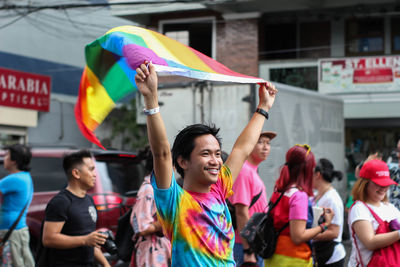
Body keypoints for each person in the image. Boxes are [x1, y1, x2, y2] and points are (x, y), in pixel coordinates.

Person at [134, 61, 277, 266]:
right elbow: (162, 154)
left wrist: (263, 107)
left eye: (217, 154)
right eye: (205, 153)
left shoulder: (219, 187)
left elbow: (242, 149)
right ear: (183, 161)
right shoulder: (174, 201)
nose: (215, 161)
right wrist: (151, 98)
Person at [264, 144, 334, 267]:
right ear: (307, 170)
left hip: (274, 256)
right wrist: (324, 226)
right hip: (294, 259)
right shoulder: (299, 196)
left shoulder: (279, 191)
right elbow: (297, 236)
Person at [42, 150, 110, 267]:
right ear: (76, 173)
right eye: (91, 169)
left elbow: (90, 240)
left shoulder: (89, 200)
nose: (95, 174)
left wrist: (105, 264)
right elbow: (48, 239)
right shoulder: (61, 202)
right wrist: (85, 240)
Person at [229, 131, 277, 266]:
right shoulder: (244, 171)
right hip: (245, 246)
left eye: (268, 143)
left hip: (253, 243)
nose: (265, 147)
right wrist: (248, 250)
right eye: (260, 142)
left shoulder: (252, 170)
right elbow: (241, 211)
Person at [348, 159, 400, 266]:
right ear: (365, 184)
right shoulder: (359, 208)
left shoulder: (389, 207)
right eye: (378, 184)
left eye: (386, 184)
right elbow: (370, 242)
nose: (384, 188)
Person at [130, 146, 171, 267]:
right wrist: (166, 222)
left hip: (160, 249)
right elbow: (142, 228)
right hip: (151, 252)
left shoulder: (159, 189)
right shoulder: (148, 190)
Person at [0, 144, 34, 267]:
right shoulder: (25, 177)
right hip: (18, 230)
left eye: (7, 155)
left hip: (10, 231)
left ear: (14, 160)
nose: (4, 158)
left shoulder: (14, 179)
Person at [312, 158, 346, 267]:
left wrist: (306, 235)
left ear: (317, 175)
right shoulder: (315, 195)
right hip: (320, 253)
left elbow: (334, 232)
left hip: (332, 257)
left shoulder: (332, 199)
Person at [389, 137, 400, 210]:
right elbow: (359, 173)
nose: (398, 154)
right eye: (398, 150)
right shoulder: (393, 169)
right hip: (393, 217)